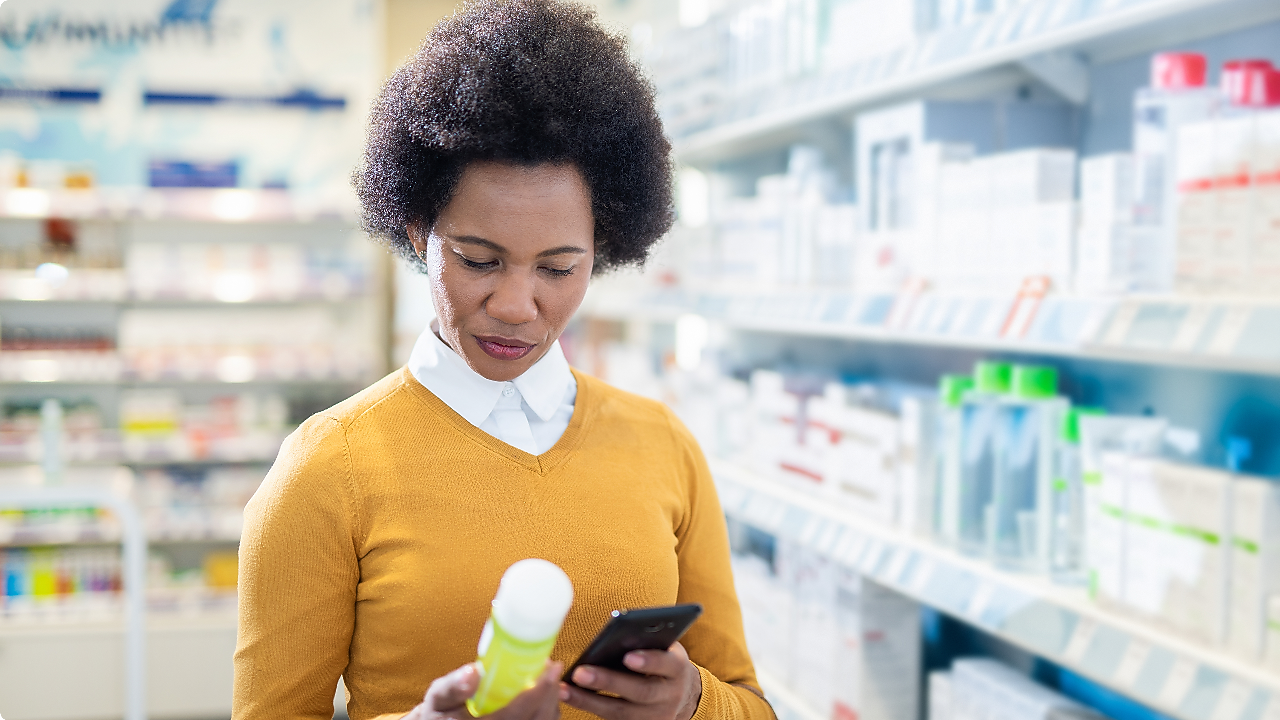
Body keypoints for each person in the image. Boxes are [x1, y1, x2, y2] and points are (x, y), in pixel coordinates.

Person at [232, 2, 773, 720]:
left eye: (557, 269)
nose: (518, 305)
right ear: (419, 229)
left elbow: (752, 704)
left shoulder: (662, 445)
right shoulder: (328, 468)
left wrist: (694, 702)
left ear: (603, 247)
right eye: (480, 260)